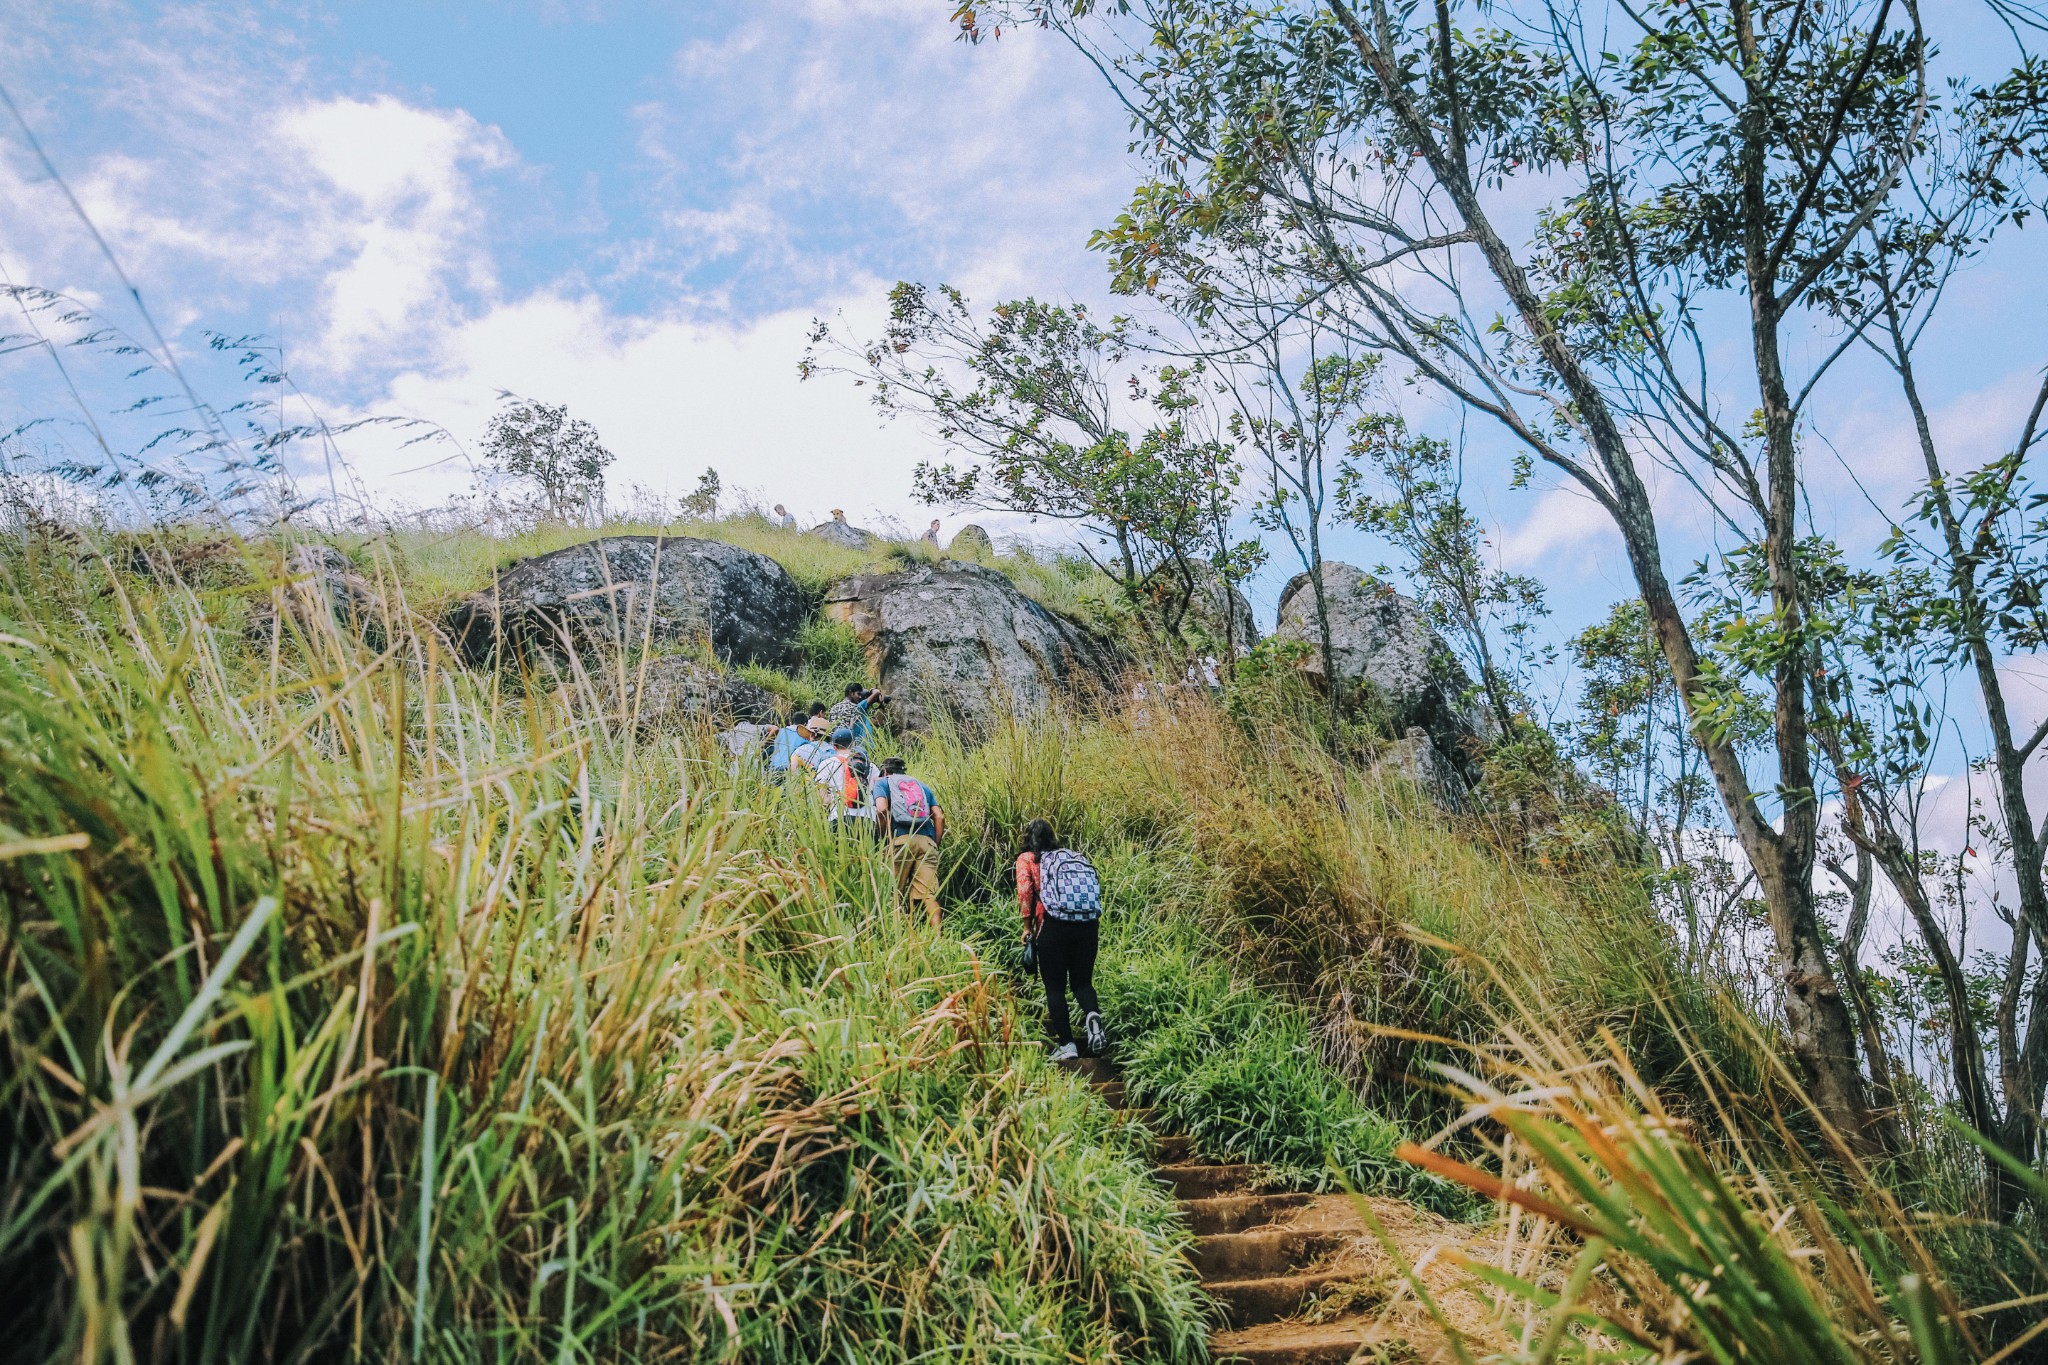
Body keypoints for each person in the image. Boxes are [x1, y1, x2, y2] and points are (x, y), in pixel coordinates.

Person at [1017, 819, 1106, 1060]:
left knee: (1055, 987)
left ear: (1028, 838)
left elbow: (1025, 893)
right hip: (1087, 925)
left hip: (1053, 926)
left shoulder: (1027, 859)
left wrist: (1027, 928)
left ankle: (1068, 1045)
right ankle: (1091, 1015)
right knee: (1082, 983)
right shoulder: (1067, 856)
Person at [875, 756, 945, 927]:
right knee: (928, 894)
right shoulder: (922, 786)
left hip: (900, 840)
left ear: (884, 771)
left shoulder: (883, 783)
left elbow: (882, 809)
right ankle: (938, 938)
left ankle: (897, 937)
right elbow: (939, 816)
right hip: (927, 843)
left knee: (893, 893)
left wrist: (885, 839)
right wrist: (934, 842)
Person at [812, 729, 874, 831]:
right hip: (868, 818)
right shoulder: (869, 764)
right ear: (853, 743)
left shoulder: (827, 764)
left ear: (834, 747)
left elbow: (823, 798)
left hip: (839, 816)